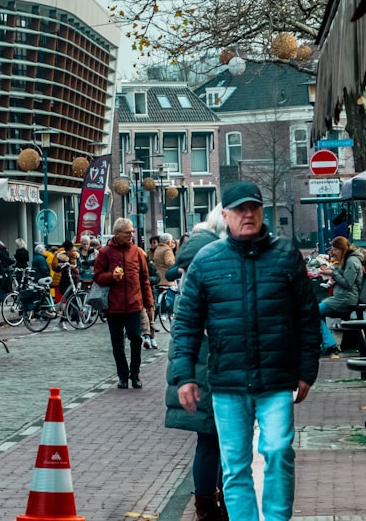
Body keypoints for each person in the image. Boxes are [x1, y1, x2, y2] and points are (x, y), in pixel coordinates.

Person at [170, 181, 321, 521]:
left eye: (253, 207)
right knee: (235, 464)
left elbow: (307, 317)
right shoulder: (207, 261)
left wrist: (306, 369)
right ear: (225, 215)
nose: (247, 215)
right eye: (239, 209)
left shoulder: (285, 256)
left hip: (275, 379)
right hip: (227, 382)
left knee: (278, 451)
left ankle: (277, 518)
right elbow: (187, 324)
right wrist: (184, 377)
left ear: (262, 211)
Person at [164, 202, 228, 519]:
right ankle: (211, 502)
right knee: (215, 436)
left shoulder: (196, 257)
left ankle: (210, 501)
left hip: (204, 359)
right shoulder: (210, 258)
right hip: (209, 360)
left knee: (213, 436)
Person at [93, 218, 154, 389]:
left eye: (132, 232)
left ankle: (135, 374)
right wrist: (111, 277)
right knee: (117, 343)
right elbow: (97, 276)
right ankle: (122, 376)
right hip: (114, 306)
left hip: (134, 304)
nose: (131, 235)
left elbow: (144, 279)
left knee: (136, 338)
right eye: (128, 233)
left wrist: (149, 303)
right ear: (117, 234)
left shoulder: (137, 252)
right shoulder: (105, 252)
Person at [315, 236, 365, 357]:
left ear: (342, 249)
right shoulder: (347, 260)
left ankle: (329, 344)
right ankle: (328, 343)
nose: (333, 252)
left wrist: (333, 273)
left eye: (336, 249)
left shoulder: (352, 261)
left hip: (345, 298)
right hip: (341, 297)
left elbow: (347, 283)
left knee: (312, 312)